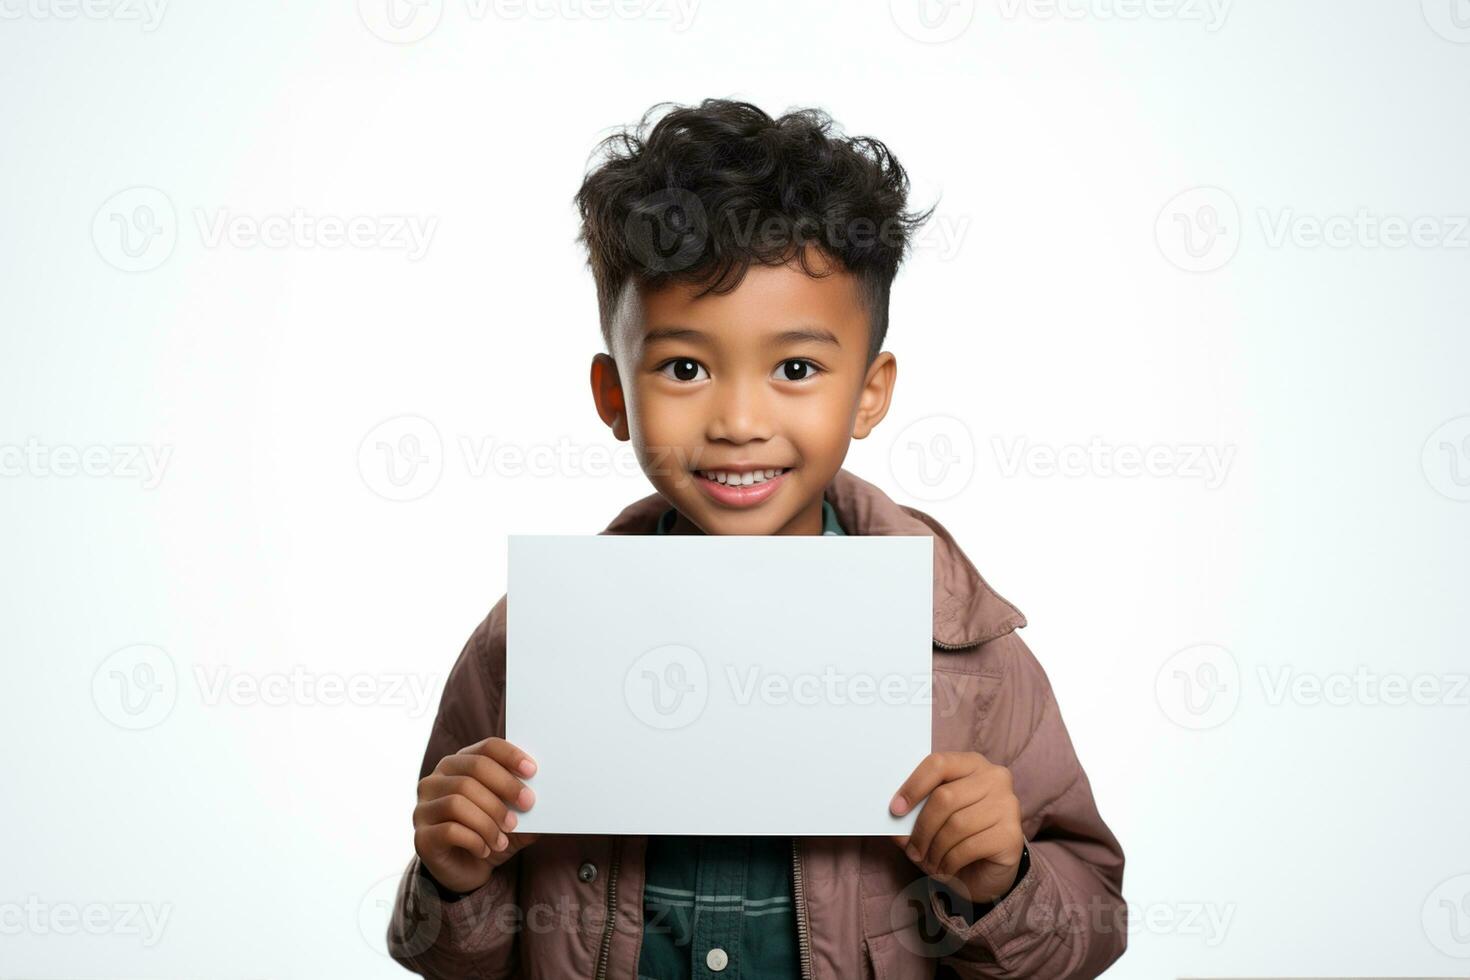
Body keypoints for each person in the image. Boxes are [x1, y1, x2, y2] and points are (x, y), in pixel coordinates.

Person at [388, 98, 1126, 979]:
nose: (740, 420)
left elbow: (1097, 922)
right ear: (613, 394)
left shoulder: (965, 657)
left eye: (797, 369)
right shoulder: (530, 646)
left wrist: (1003, 881)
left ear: (870, 391)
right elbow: (453, 958)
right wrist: (454, 879)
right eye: (685, 368)